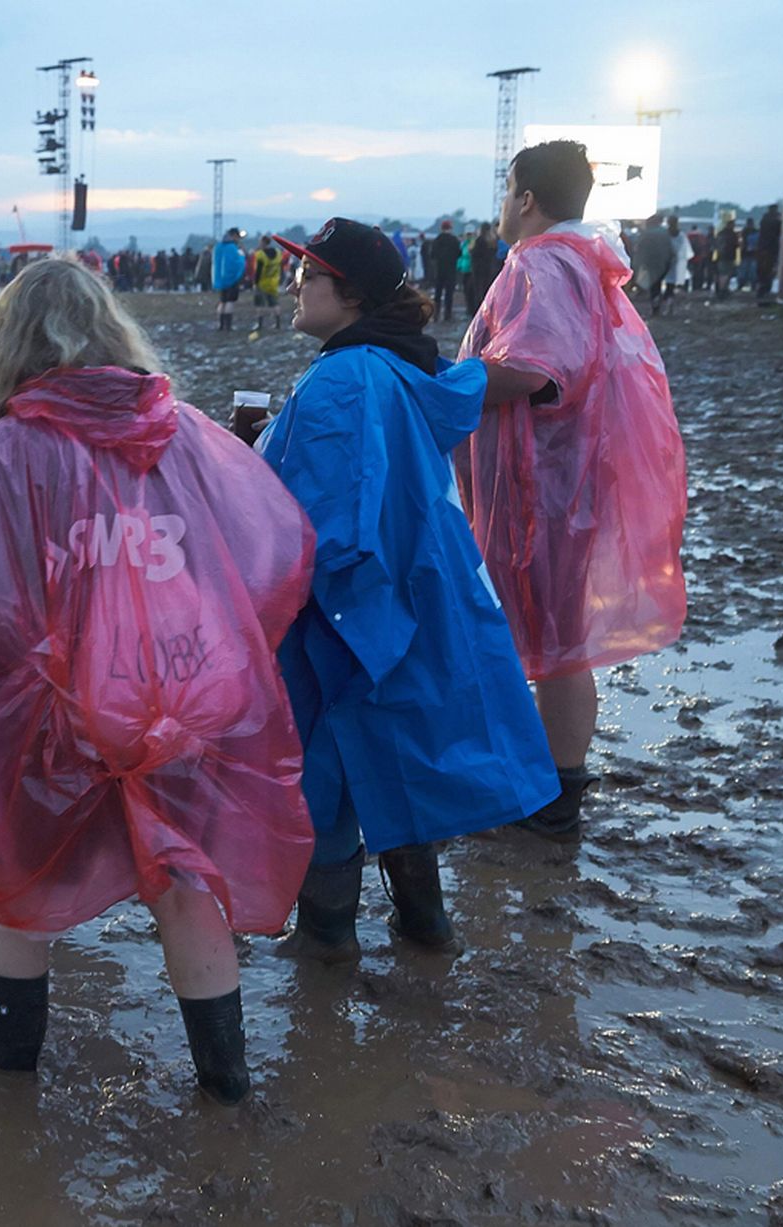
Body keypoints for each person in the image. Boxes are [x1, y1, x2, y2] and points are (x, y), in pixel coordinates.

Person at [0, 257, 318, 1105]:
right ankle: (227, 1087)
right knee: (184, 881)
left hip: (42, 713)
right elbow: (274, 543)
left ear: (3, 347)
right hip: (180, 698)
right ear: (113, 330)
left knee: (14, 883)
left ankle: (12, 1087)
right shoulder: (187, 433)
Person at [257, 217, 558, 957]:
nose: (295, 285)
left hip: (354, 606)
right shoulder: (394, 367)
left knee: (329, 765)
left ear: (349, 293)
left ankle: (325, 937)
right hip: (421, 590)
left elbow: (325, 520)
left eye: (309, 275)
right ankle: (424, 924)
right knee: (396, 753)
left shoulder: (341, 377)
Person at [456, 140, 689, 837]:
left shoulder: (542, 261)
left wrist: (440, 385)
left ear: (525, 197)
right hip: (571, 473)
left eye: (506, 188)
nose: (501, 203)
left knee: (550, 638)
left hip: (545, 482)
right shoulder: (583, 260)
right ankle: (549, 781)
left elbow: (534, 369)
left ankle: (553, 793)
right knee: (555, 637)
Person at [632, 214, 675, 316]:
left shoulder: (645, 234)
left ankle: (655, 307)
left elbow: (639, 249)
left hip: (649, 264)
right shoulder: (665, 233)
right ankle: (664, 304)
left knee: (654, 286)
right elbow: (671, 249)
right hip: (664, 263)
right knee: (662, 284)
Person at [212, 228, 245, 332]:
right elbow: (237, 263)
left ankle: (221, 325)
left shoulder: (218, 247)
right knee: (230, 302)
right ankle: (228, 326)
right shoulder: (232, 248)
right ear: (234, 235)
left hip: (220, 280)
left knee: (222, 301)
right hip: (231, 279)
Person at [430, 220, 463, 321]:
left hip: (439, 269)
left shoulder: (437, 240)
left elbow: (432, 255)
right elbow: (459, 254)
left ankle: (436, 314)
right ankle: (447, 315)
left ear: (441, 228)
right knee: (449, 293)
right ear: (450, 228)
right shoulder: (454, 240)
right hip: (451, 269)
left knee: (438, 293)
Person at [468, 222, 500, 317]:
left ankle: (479, 312)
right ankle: (489, 311)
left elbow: (474, 253)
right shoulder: (493, 241)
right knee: (487, 290)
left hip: (478, 269)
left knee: (478, 290)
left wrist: (471, 249)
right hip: (490, 268)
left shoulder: (479, 240)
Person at [252, 237, 284, 331]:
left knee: (260, 304)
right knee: (275, 303)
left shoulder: (260, 255)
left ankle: (259, 324)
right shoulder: (278, 253)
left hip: (262, 282)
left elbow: (258, 270)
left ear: (263, 243)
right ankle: (278, 324)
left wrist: (255, 283)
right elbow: (281, 267)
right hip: (274, 282)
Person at [756, 205, 782, 305]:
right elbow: (779, 230)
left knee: (763, 272)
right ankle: (765, 292)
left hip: (762, 249)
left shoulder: (764, 220)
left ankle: (761, 292)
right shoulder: (775, 221)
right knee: (769, 272)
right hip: (771, 249)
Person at [713, 217, 741, 298]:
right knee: (726, 274)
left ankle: (722, 290)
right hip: (729, 256)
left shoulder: (720, 233)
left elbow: (716, 245)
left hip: (720, 257)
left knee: (723, 274)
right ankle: (723, 290)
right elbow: (737, 246)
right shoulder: (733, 234)